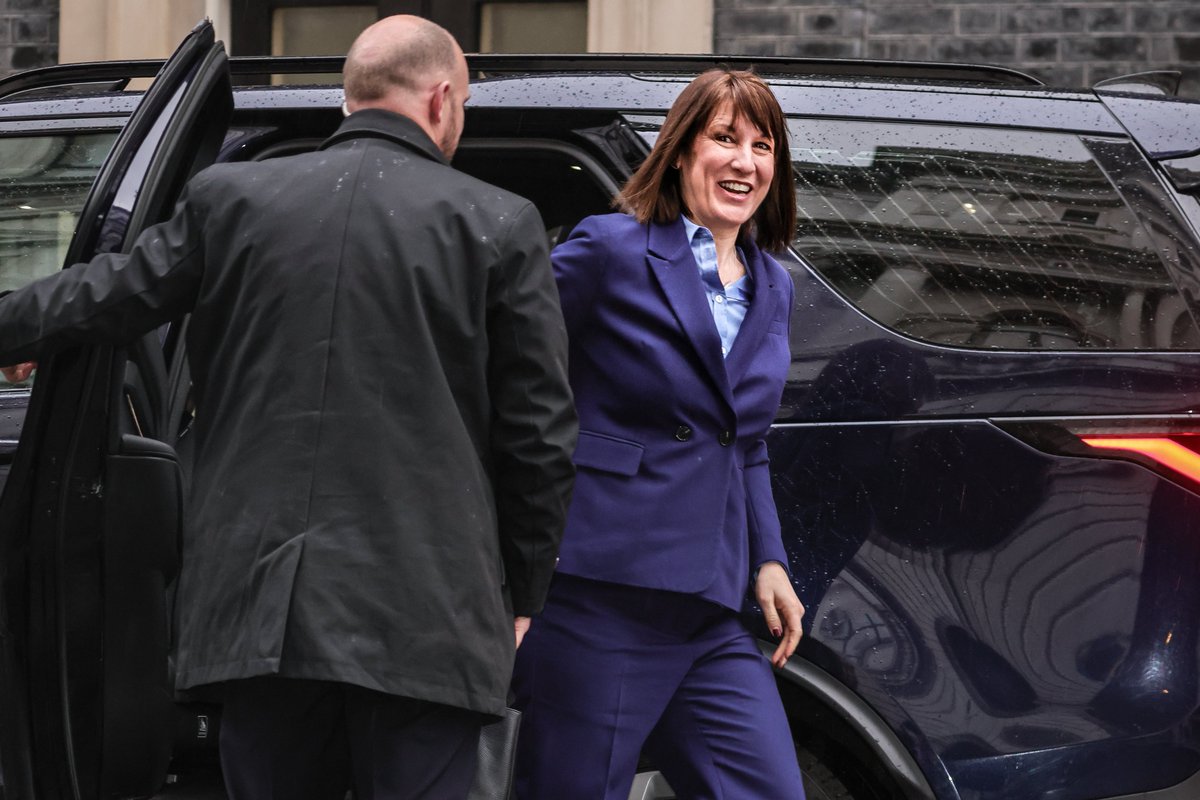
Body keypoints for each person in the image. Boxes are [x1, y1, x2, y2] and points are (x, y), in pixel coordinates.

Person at [0, 15, 576, 800]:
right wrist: (520, 593)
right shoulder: (500, 224)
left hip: (260, 614)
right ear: (443, 99)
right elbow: (538, 440)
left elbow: (99, 297)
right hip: (428, 618)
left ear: (350, 97)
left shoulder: (230, 199)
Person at [511, 68, 806, 799]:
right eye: (725, 138)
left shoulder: (775, 285)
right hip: (600, 599)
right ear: (679, 151)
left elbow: (747, 440)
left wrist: (769, 558)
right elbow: (509, 369)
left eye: (762, 145)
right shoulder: (612, 250)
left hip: (711, 609)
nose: (745, 161)